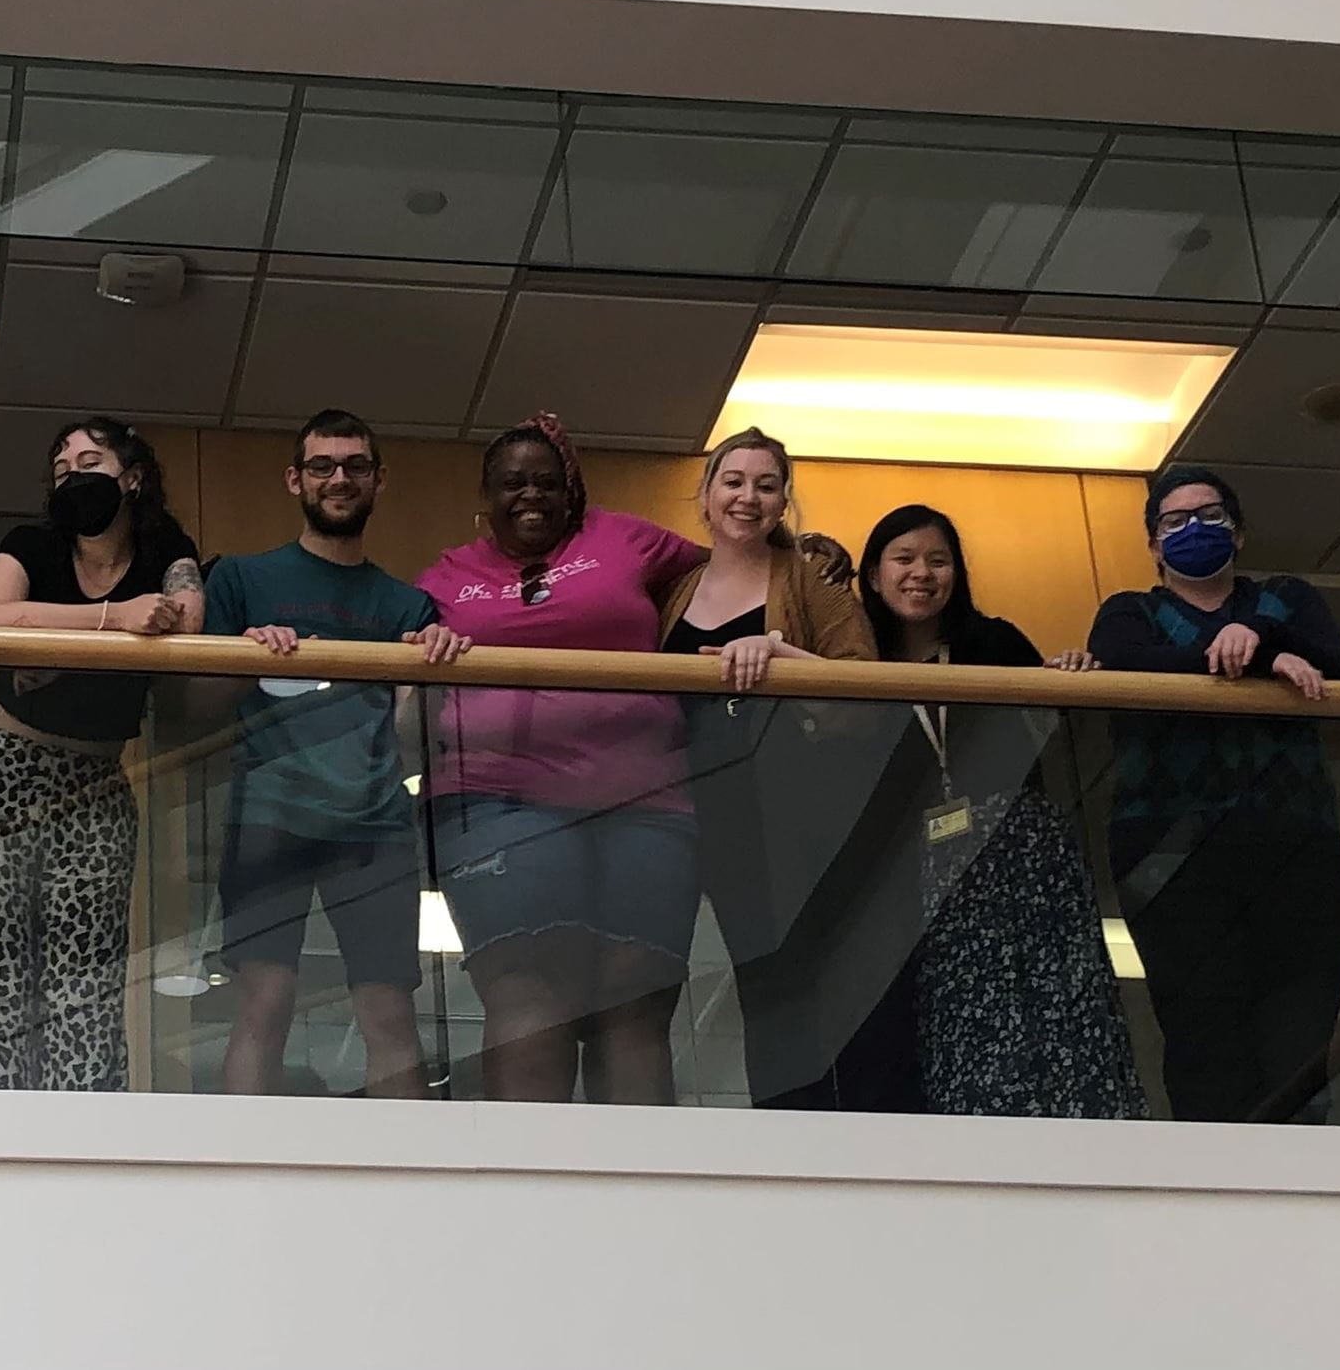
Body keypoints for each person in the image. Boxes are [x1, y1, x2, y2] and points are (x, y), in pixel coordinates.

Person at [417, 413, 706, 1105]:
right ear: (484, 501)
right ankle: (526, 1206)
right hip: (495, 798)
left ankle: (637, 1203)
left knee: (633, 1003)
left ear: (571, 491)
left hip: (648, 801)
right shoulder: (446, 574)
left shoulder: (623, 537)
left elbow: (726, 571)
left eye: (547, 482)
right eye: (512, 483)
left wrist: (799, 556)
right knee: (529, 993)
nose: (531, 495)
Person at [0, 416, 202, 1092]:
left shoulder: (163, 542)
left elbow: (185, 619)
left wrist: (59, 637)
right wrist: (116, 620)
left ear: (131, 476)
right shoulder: (34, 543)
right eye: (61, 469)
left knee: (86, 973)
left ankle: (78, 1140)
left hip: (95, 778)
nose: (74, 475)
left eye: (90, 460)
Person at [206, 410, 470, 1099]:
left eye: (355, 465)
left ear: (379, 480)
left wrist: (429, 670)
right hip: (268, 810)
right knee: (264, 998)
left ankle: (408, 1187)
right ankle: (242, 1182)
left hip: (375, 821)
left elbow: (418, 740)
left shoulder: (409, 605)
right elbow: (192, 706)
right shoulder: (239, 580)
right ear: (295, 479)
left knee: (387, 1009)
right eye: (322, 465)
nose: (339, 478)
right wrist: (241, 654)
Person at [858, 505, 1143, 1118]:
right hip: (915, 874)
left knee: (1056, 1014)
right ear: (874, 576)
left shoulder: (995, 641)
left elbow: (1056, 723)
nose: (922, 573)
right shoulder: (854, 666)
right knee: (952, 1027)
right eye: (903, 559)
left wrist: (1070, 673)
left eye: (938, 560)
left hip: (1017, 857)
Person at [1087, 467, 1340, 1123]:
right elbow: (1125, 668)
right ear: (1153, 545)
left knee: (1299, 1038)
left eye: (1210, 515)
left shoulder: (1286, 599)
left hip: (1295, 846)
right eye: (1174, 522)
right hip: (1170, 853)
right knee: (1202, 1035)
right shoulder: (1132, 612)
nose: (1194, 529)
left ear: (1239, 533)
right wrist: (1257, 659)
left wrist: (1269, 637)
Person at [652, 427, 894, 1110]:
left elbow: (867, 693)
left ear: (784, 500)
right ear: (703, 497)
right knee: (746, 976)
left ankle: (818, 1127)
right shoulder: (679, 587)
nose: (748, 497)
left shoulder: (807, 583)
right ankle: (776, 1129)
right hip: (691, 806)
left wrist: (780, 654)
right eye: (733, 482)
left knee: (794, 971)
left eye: (765, 484)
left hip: (786, 804)